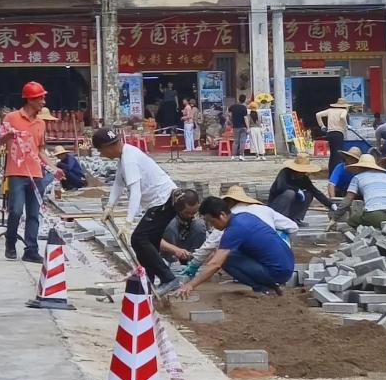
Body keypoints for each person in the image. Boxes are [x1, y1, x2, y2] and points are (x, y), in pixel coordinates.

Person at [90, 127, 177, 288]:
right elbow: (118, 182)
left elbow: (135, 192)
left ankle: (168, 278)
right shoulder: (124, 156)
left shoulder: (129, 158)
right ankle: (147, 279)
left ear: (108, 147)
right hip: (160, 201)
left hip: (163, 200)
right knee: (148, 241)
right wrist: (110, 206)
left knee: (139, 238)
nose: (103, 155)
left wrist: (128, 223)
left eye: (101, 151)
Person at [168, 196, 295, 298]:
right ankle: (270, 285)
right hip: (286, 265)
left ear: (222, 215)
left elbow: (215, 264)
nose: (212, 226)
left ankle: (265, 289)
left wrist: (190, 285)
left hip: (278, 271)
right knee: (226, 253)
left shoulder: (235, 229)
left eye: (212, 221)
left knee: (225, 259)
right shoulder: (243, 217)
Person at [0, 82, 49, 263]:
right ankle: (10, 242)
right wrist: (8, 136)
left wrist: (54, 168)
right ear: (30, 99)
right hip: (16, 173)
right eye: (40, 98)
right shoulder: (11, 118)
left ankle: (31, 249)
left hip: (36, 174)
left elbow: (40, 150)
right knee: (15, 210)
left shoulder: (41, 123)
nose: (43, 102)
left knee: (33, 213)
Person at [342, 150, 386, 226]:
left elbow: (348, 199)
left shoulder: (357, 178)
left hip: (375, 215)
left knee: (352, 220)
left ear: (359, 167)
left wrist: (335, 216)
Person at [266, 158, 328, 225]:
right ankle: (281, 219)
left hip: (291, 207)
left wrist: (331, 205)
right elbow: (280, 186)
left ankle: (295, 219)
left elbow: (315, 192)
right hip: (276, 206)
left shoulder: (304, 178)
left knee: (308, 194)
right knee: (290, 193)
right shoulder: (285, 173)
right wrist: (296, 190)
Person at [222, 185, 298, 239]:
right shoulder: (265, 209)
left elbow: (214, 242)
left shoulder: (231, 214)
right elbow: (293, 227)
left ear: (229, 202)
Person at [315, 97, 350, 161]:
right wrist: (346, 125)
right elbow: (342, 117)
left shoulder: (330, 110)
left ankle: (331, 170)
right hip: (338, 134)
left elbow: (318, 115)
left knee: (332, 154)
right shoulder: (343, 111)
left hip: (330, 134)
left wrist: (322, 126)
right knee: (337, 155)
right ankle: (335, 170)